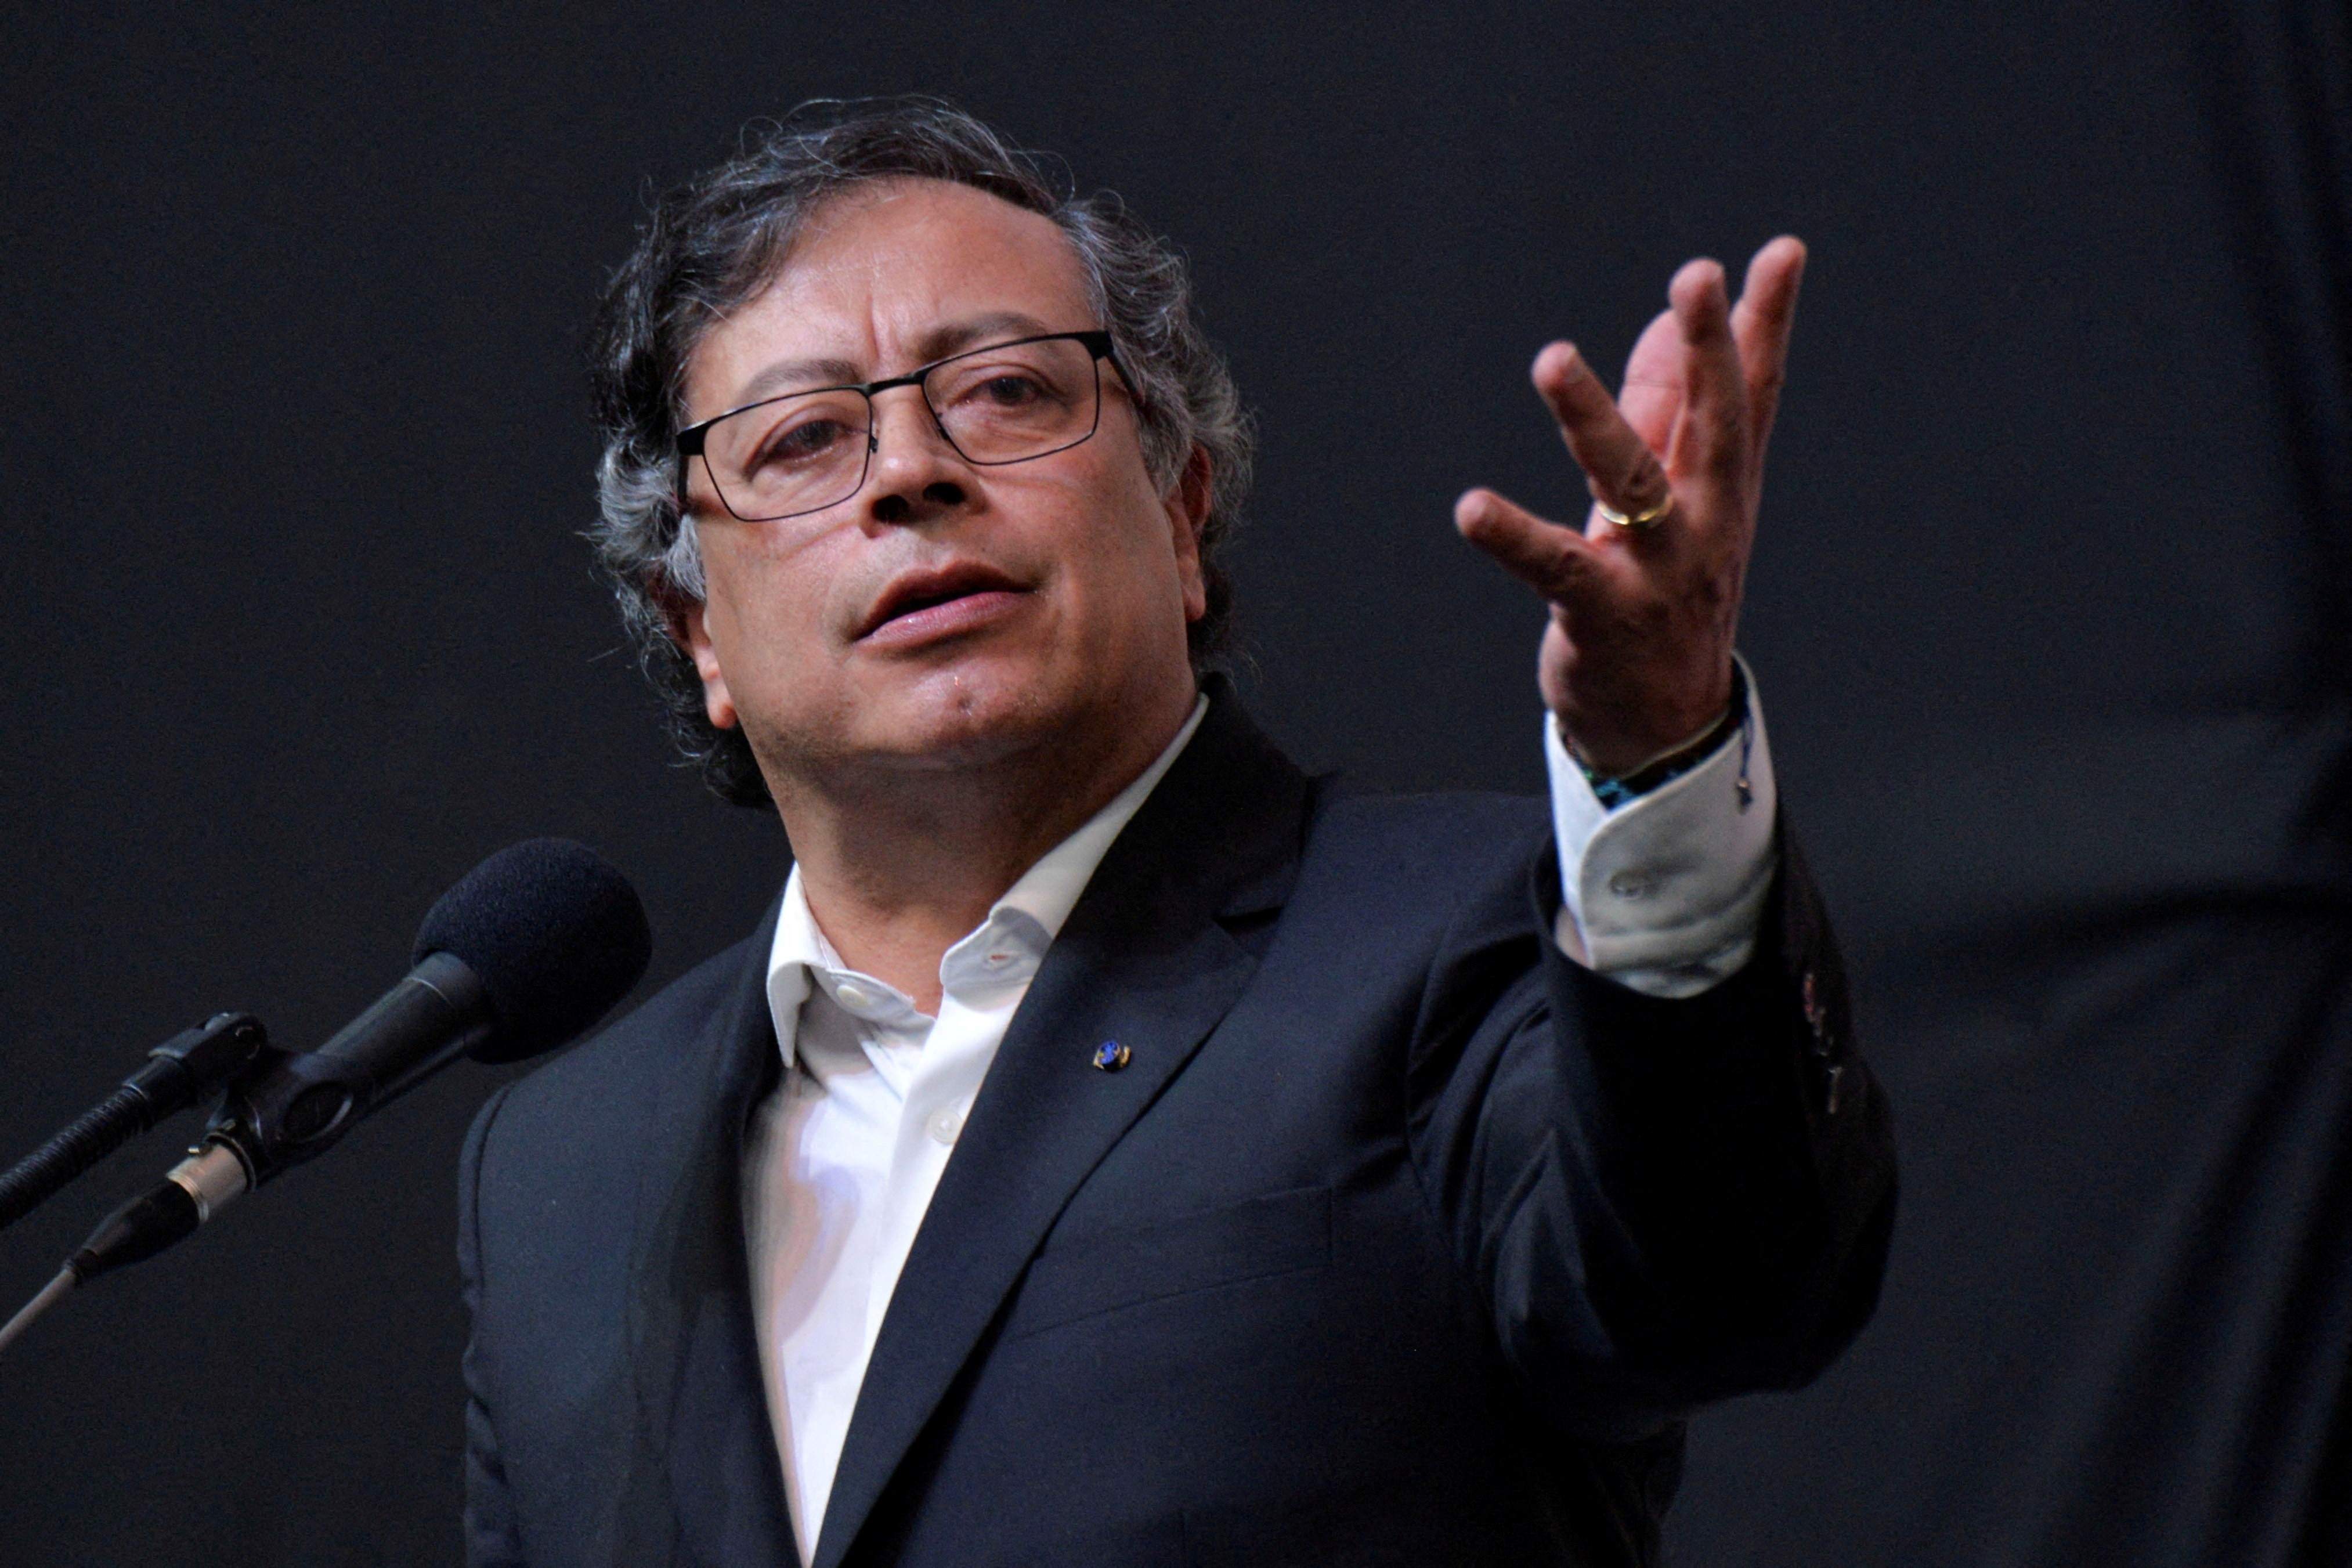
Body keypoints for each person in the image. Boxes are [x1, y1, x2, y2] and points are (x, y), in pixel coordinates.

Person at [457, 99, 1895, 1568]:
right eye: (802, 437)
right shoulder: (561, 1166)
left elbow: (1718, 1293)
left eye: (1007, 390)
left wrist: (1658, 756)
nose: (908, 472)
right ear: (697, 630)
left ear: (1185, 511)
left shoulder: (1468, 939)